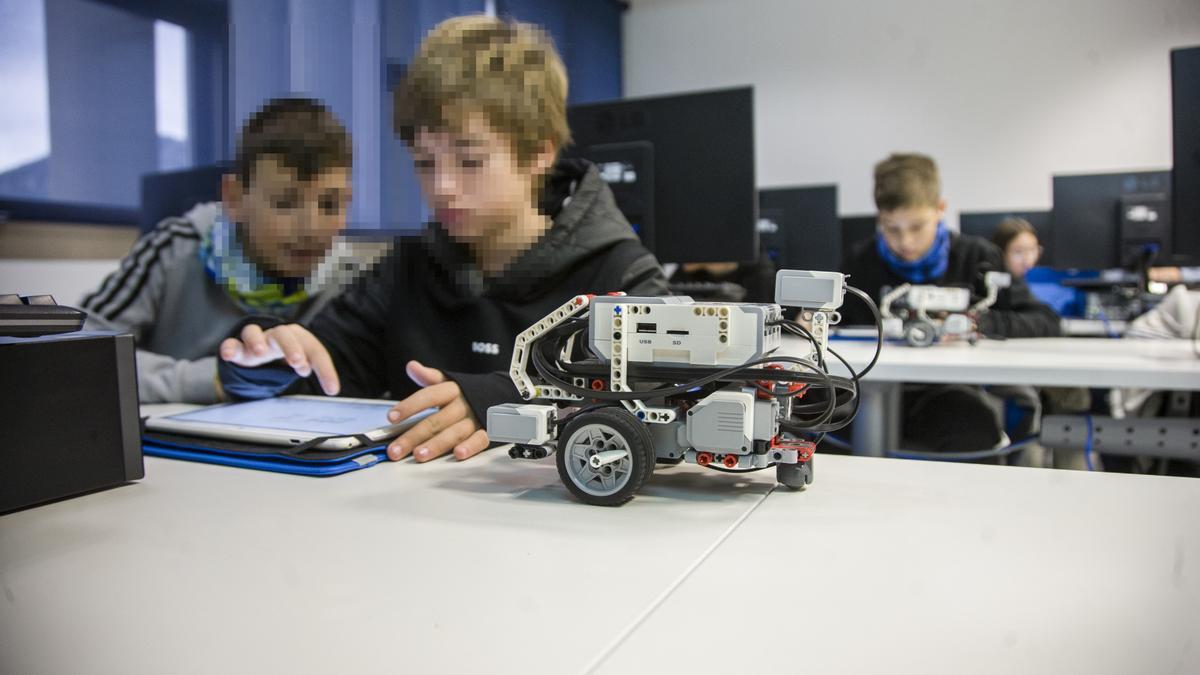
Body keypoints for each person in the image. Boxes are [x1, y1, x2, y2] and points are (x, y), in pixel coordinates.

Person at [217, 14, 668, 465]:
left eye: (470, 161)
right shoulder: (406, 269)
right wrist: (265, 359)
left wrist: (509, 400)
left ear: (539, 153)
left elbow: (667, 399)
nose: (442, 186)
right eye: (424, 162)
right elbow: (318, 384)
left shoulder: (621, 275)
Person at [81, 97, 357, 403]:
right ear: (234, 197)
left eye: (331, 204)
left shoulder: (349, 281)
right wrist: (213, 380)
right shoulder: (174, 247)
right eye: (285, 203)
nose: (311, 228)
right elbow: (81, 354)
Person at [839, 153, 1060, 454]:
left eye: (917, 227)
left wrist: (976, 324)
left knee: (973, 429)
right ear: (880, 218)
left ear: (940, 209)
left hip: (944, 392)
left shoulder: (977, 258)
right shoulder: (860, 261)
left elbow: (1045, 319)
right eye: (891, 228)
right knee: (813, 429)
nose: (904, 242)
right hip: (866, 390)